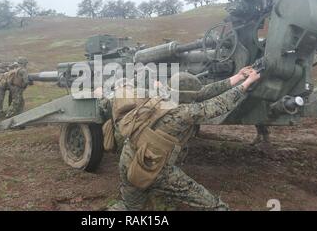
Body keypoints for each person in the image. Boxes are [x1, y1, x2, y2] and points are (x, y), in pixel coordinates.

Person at [108, 67, 261, 211]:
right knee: (212, 205)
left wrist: (239, 77)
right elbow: (219, 104)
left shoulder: (161, 96)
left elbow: (203, 93)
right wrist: (246, 84)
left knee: (131, 208)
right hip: (155, 169)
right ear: (189, 96)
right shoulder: (183, 113)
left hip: (128, 160)